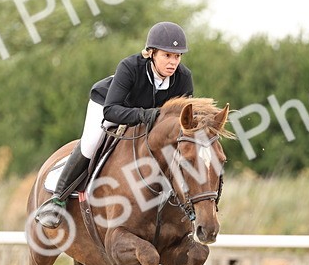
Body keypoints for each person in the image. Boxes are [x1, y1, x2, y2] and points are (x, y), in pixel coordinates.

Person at [34, 21, 195, 228]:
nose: (173, 62)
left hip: (148, 117)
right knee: (92, 142)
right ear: (151, 53)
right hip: (108, 104)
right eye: (167, 55)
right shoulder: (130, 67)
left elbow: (183, 119)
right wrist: (145, 115)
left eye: (177, 56)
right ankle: (57, 199)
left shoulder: (183, 77)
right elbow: (111, 110)